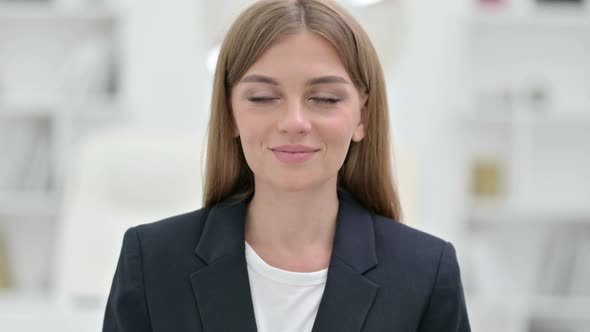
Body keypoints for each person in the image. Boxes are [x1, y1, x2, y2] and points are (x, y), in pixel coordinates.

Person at [102, 0, 471, 331]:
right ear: (229, 113)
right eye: (263, 97)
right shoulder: (152, 262)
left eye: (324, 98)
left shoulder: (426, 272)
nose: (294, 122)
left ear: (362, 116)